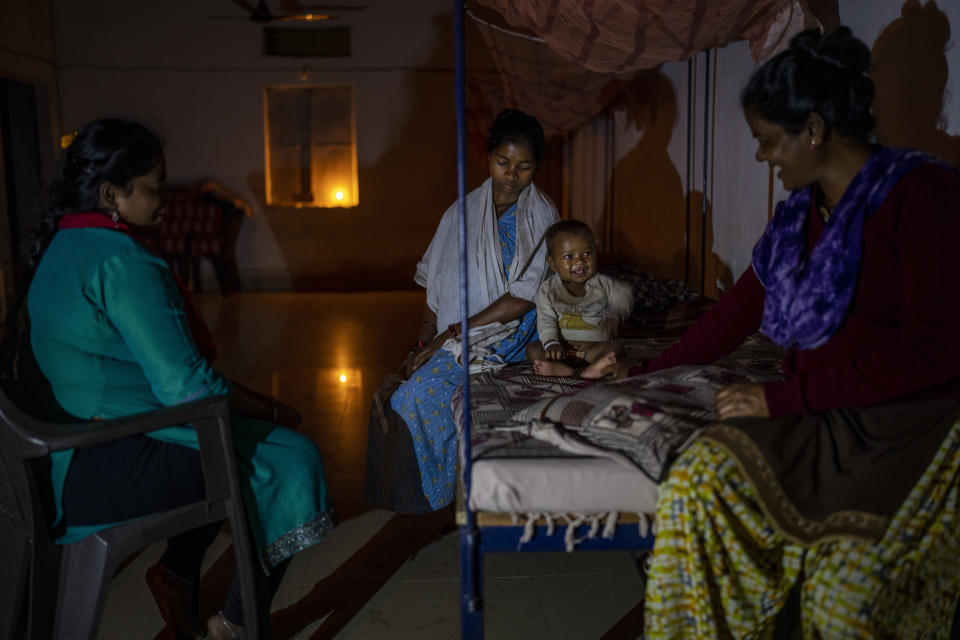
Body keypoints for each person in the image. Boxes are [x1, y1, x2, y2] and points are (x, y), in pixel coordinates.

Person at [632, 27, 960, 638]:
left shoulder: (922, 194)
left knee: (844, 610)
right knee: (699, 481)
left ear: (812, 129)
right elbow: (734, 316)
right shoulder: (796, 219)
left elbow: (936, 350)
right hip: (826, 420)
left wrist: (782, 399)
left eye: (767, 141)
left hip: (908, 429)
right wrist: (640, 372)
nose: (762, 157)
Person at [13, 119, 336, 639]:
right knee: (290, 458)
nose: (165, 202)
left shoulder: (67, 242)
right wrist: (273, 410)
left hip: (65, 451)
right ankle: (235, 623)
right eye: (156, 190)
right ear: (110, 193)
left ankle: (178, 575)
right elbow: (190, 390)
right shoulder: (121, 259)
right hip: (96, 461)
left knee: (235, 442)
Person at [365, 109, 559, 513]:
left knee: (411, 400)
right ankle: (423, 496)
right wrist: (422, 342)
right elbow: (437, 285)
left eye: (523, 167)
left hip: (509, 331)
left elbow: (523, 298)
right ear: (488, 159)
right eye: (503, 163)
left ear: (536, 167)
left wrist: (449, 336)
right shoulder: (461, 213)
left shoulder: (541, 216)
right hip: (456, 334)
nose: (512, 175)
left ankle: (435, 498)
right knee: (398, 393)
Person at [524, 219, 632, 379]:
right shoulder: (548, 289)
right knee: (533, 349)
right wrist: (551, 343)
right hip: (561, 351)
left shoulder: (602, 284)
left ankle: (598, 366)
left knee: (616, 348)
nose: (579, 262)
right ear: (552, 263)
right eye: (568, 256)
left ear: (596, 253)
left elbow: (625, 294)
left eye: (587, 253)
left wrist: (614, 314)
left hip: (592, 349)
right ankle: (558, 367)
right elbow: (546, 320)